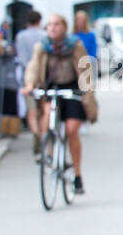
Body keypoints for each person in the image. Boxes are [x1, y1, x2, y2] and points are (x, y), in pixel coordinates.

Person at [20, 13, 93, 194]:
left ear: (64, 27)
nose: (53, 28)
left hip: (72, 89)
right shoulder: (42, 47)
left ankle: (77, 175)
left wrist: (86, 92)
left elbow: (85, 70)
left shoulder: (75, 45)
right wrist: (29, 85)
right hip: (51, 88)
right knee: (45, 120)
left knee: (71, 130)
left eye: (57, 24)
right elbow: (33, 68)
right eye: (50, 24)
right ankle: (50, 154)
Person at [15, 11, 46, 153]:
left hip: (26, 78)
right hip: (43, 77)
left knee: (31, 111)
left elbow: (20, 58)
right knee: (42, 110)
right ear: (39, 21)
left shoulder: (20, 36)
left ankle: (35, 133)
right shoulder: (45, 36)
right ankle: (41, 134)